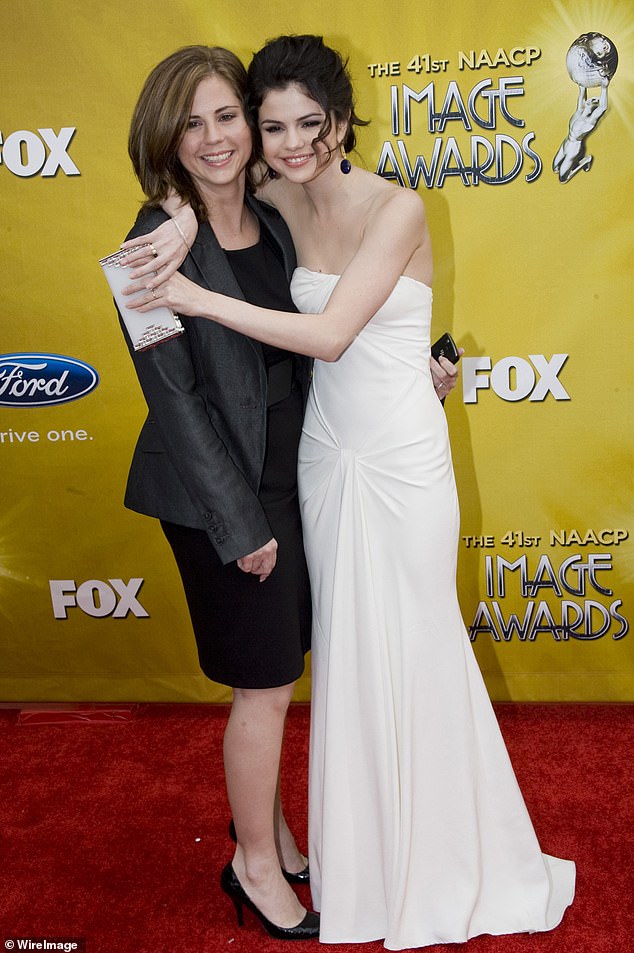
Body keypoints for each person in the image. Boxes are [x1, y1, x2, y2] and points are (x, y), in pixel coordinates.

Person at [123, 36, 574, 951]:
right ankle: (319, 853)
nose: (287, 145)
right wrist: (167, 215)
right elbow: (191, 190)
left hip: (395, 458)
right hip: (310, 464)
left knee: (410, 648)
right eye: (272, 125)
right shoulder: (252, 204)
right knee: (328, 664)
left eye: (307, 125)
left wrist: (197, 296)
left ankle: (423, 852)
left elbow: (328, 335)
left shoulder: (386, 206)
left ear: (342, 120)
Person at [115, 45, 320, 940]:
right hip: (214, 499)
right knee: (265, 686)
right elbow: (176, 399)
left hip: (288, 475)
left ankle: (268, 827)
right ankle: (253, 864)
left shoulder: (275, 219)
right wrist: (240, 523)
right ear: (165, 138)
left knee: (276, 677)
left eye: (225, 115)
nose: (213, 137)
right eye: (189, 122)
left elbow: (312, 337)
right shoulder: (143, 250)